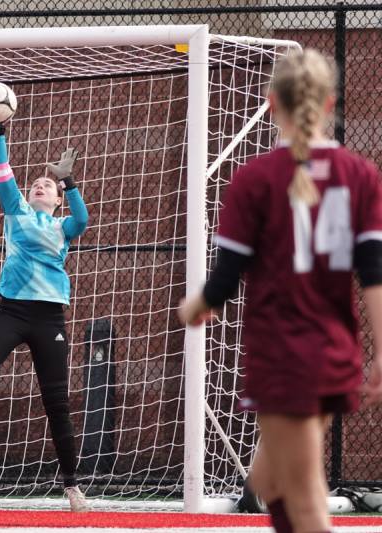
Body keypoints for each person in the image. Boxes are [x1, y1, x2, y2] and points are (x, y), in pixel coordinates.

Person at [179, 49, 382, 533]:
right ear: (329, 104)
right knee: (270, 484)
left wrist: (197, 305)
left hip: (281, 355)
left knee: (304, 500)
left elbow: (227, 274)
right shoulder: (361, 175)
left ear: (271, 104)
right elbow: (374, 273)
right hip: (334, 353)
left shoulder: (255, 180)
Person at [0, 123, 90, 512]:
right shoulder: (17, 212)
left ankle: (73, 487)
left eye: (48, 185)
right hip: (12, 312)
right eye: (36, 185)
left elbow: (84, 220)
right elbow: (3, 170)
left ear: (57, 199)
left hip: (49, 321)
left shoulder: (64, 226)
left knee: (57, 402)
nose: (40, 186)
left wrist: (69, 183)